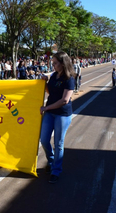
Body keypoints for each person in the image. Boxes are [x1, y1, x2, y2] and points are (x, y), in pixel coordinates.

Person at [40, 51, 75, 184]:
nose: (52, 65)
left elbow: (64, 100)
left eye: (55, 63)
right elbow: (50, 92)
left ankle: (56, 170)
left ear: (63, 63)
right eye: (52, 63)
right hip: (50, 112)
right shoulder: (54, 75)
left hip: (62, 114)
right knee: (44, 140)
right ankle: (51, 160)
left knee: (58, 143)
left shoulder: (69, 79)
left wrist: (46, 108)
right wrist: (45, 83)